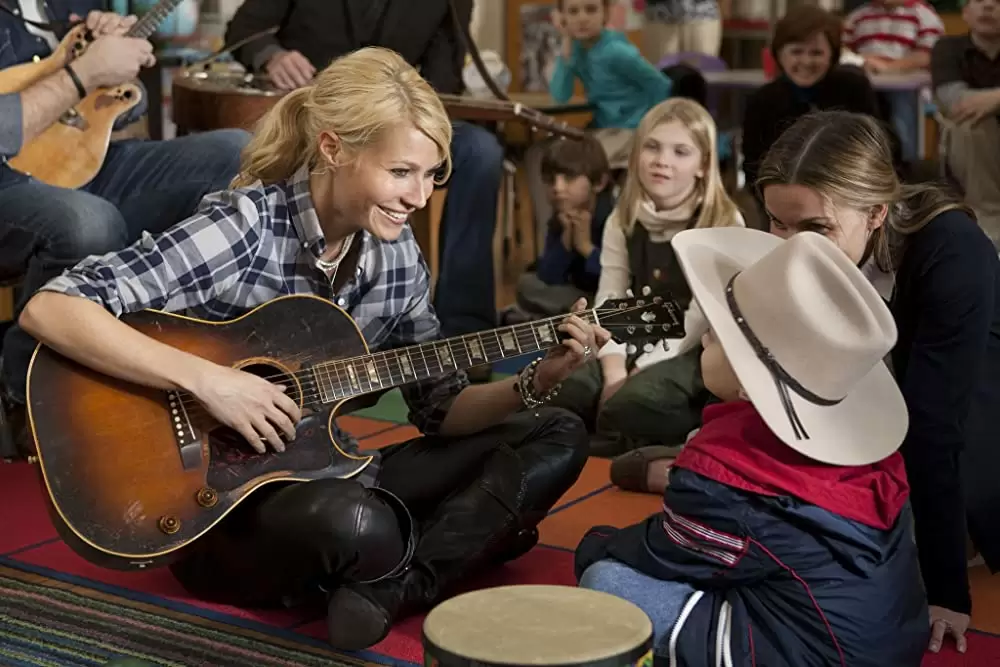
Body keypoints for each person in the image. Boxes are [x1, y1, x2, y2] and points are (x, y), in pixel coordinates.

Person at [17, 47, 601, 651]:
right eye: (401, 173)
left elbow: (440, 411)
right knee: (361, 524)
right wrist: (211, 381)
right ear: (333, 149)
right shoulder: (244, 227)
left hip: (327, 468)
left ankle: (392, 586)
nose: (419, 198)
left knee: (556, 431)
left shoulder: (397, 258)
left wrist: (538, 376)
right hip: (214, 509)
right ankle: (454, 544)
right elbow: (53, 306)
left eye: (432, 176)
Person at [576, 227, 929, 666]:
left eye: (719, 332)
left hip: (817, 654)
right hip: (892, 639)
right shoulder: (866, 455)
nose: (704, 334)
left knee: (605, 579)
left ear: (749, 380)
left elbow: (656, 553)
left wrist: (593, 543)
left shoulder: (726, 480)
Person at [224, 0, 504, 380]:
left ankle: (462, 335)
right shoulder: (241, 222)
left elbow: (443, 81)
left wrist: (406, 128)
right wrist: (271, 56)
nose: (420, 198)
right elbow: (244, 30)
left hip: (394, 127)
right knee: (230, 150)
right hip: (314, 122)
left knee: (481, 152)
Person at [0, 4, 249, 421]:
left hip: (78, 162)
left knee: (238, 153)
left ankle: (186, 361)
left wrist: (119, 66)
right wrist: (83, 74)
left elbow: (122, 109)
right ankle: (26, 395)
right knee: (88, 223)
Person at [549, 98, 743, 459]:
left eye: (680, 152)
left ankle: (636, 436)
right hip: (628, 338)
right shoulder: (622, 218)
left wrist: (639, 370)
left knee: (632, 406)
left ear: (703, 165)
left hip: (689, 350)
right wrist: (613, 370)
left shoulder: (723, 223)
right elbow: (609, 300)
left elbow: (698, 319)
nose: (662, 161)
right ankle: (605, 434)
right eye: (652, 147)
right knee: (563, 390)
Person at [526, 0, 674, 230]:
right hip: (602, 129)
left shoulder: (618, 51)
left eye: (591, 9)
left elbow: (662, 86)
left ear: (606, 12)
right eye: (573, 12)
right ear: (562, 17)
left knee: (572, 164)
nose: (582, 18)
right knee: (538, 154)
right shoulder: (577, 49)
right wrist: (566, 45)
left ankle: (586, 233)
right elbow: (560, 95)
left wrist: (652, 131)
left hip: (629, 130)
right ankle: (551, 236)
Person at [740, 5, 885, 199]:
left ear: (832, 56)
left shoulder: (853, 88)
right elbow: (753, 167)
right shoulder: (762, 100)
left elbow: (874, 151)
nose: (806, 62)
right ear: (779, 54)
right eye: (796, 52)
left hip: (847, 194)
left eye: (816, 53)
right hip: (782, 199)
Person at [504, 135, 614, 324]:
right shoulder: (560, 217)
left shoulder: (613, 217)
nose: (557, 187)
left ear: (599, 182)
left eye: (569, 178)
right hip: (578, 293)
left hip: (609, 296)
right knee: (527, 284)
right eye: (550, 180)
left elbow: (619, 276)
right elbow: (549, 276)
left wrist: (586, 248)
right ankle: (575, 318)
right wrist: (565, 240)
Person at [931, 0, 1000, 246]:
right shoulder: (947, 48)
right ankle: (988, 218)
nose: (989, 7)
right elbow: (955, 102)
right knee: (971, 124)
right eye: (980, 0)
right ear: (966, 12)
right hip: (971, 149)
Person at [842, 0, 943, 162]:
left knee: (902, 116)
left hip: (906, 87)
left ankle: (906, 165)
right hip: (865, 83)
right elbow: (844, 51)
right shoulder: (857, 17)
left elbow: (929, 55)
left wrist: (890, 67)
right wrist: (860, 62)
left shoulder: (924, 15)